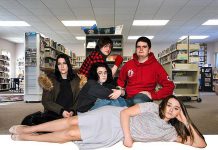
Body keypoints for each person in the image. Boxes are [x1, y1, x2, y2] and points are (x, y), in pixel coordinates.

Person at [9, 95, 206, 150]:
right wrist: (129, 137)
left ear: (180, 112)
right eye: (170, 105)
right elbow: (125, 113)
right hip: (114, 117)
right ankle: (30, 128)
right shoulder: (152, 107)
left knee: (72, 135)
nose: (171, 109)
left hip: (114, 133)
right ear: (164, 104)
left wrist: (186, 121)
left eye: (176, 108)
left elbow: (200, 144)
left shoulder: (169, 133)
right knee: (71, 122)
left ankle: (26, 137)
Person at [22, 54, 81, 125]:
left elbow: (79, 100)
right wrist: (61, 111)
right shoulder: (50, 79)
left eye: (64, 63)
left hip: (71, 114)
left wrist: (72, 111)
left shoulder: (76, 80)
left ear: (68, 64)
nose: (62, 66)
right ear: (56, 66)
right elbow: (46, 101)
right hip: (54, 113)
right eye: (59, 64)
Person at [116, 36, 175, 106]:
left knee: (137, 100)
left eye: (144, 47)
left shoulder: (156, 66)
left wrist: (153, 95)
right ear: (136, 49)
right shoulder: (128, 64)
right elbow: (121, 81)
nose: (141, 49)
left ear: (149, 50)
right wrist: (119, 90)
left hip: (142, 100)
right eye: (138, 47)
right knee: (105, 101)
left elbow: (170, 86)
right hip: (127, 99)